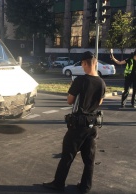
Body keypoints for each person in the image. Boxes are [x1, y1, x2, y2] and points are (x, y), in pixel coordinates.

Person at [43, 51, 106, 194]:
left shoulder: (80, 80)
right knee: (89, 160)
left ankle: (58, 184)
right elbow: (100, 102)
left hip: (78, 125)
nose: (82, 67)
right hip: (93, 125)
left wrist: (73, 89)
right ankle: (85, 187)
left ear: (84, 63)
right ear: (95, 63)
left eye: (82, 64)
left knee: (67, 156)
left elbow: (70, 100)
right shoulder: (102, 82)